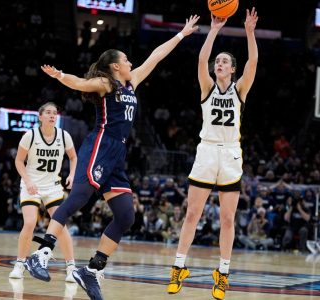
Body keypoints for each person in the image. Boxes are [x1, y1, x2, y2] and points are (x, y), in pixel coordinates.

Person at [25, 16, 200, 300]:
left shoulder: (132, 83)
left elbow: (156, 56)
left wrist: (181, 34)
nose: (132, 63)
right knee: (79, 197)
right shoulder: (107, 84)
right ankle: (42, 252)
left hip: (118, 152)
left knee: (126, 215)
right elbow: (81, 83)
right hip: (100, 145)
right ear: (116, 65)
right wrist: (60, 76)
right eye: (127, 60)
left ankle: (91, 270)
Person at [167, 8, 259, 300]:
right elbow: (200, 59)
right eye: (217, 61)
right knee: (192, 213)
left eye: (224, 62)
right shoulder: (206, 87)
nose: (218, 63)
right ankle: (178, 268)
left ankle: (223, 274)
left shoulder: (240, 90)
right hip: (206, 151)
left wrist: (249, 32)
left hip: (231, 155)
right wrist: (215, 29)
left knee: (228, 219)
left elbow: (253, 61)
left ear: (232, 69)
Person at [9, 102, 78, 282]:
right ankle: (20, 264)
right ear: (40, 117)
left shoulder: (64, 136)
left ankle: (71, 267)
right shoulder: (29, 136)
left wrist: (71, 174)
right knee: (30, 222)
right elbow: (18, 161)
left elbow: (73, 157)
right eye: (48, 113)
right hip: (32, 185)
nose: (52, 116)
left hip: (53, 186)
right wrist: (28, 180)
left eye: (55, 113)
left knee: (60, 226)